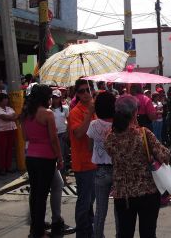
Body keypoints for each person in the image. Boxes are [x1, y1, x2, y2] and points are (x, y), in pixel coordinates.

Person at [105, 95, 170, 238]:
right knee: (148, 233)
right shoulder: (143, 134)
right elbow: (165, 156)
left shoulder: (110, 137)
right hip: (148, 193)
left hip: (123, 194)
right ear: (135, 112)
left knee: (125, 233)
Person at [22, 84, 63, 238]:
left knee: (35, 194)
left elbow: (25, 137)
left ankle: (35, 228)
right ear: (45, 97)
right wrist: (60, 157)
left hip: (30, 157)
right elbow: (53, 139)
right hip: (46, 158)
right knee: (42, 195)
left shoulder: (26, 113)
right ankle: (39, 232)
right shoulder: (47, 114)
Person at [69, 79, 97, 238]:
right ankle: (82, 232)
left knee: (91, 200)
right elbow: (79, 134)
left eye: (87, 89)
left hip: (95, 162)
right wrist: (89, 115)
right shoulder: (75, 112)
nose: (86, 93)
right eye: (81, 91)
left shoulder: (94, 108)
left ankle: (89, 229)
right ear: (77, 94)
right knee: (84, 202)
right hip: (83, 164)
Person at [86, 92, 116, 238]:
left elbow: (89, 147)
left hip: (100, 171)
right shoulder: (119, 124)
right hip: (117, 170)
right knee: (119, 209)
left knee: (100, 210)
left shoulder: (93, 124)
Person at [0, 93, 18, 175]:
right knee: (2, 150)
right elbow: (7, 118)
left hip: (11, 130)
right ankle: (1, 168)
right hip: (2, 131)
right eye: (5, 99)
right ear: (0, 101)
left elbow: (15, 116)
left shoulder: (9, 108)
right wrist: (12, 117)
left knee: (9, 149)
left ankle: (8, 167)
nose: (7, 100)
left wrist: (11, 117)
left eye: (6, 98)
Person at [51, 89, 69, 178]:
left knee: (62, 155)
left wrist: (67, 133)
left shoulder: (65, 108)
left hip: (62, 134)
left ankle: (62, 175)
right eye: (53, 98)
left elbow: (69, 121)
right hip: (53, 135)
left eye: (57, 98)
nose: (55, 100)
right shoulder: (49, 109)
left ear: (60, 98)